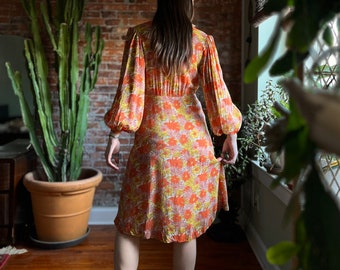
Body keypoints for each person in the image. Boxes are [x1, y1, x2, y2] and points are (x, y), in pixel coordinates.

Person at [104, 0, 242, 269]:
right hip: (192, 142)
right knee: (185, 229)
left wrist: (115, 134)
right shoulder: (203, 41)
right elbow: (217, 92)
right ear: (189, 3)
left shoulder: (140, 36)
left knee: (129, 224)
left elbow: (130, 91)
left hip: (153, 139)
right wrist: (230, 134)